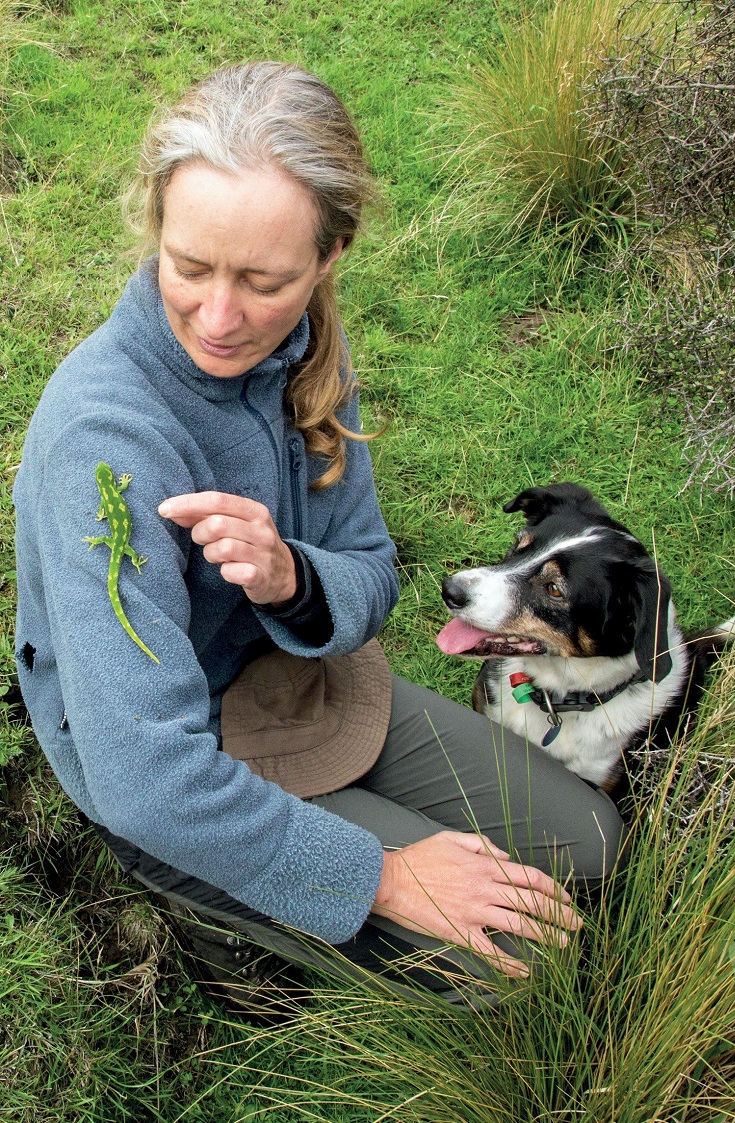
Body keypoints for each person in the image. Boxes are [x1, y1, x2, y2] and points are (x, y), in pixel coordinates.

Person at [14, 61, 623, 1008]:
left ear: (329, 255)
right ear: (156, 233)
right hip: (178, 764)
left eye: (264, 279)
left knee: (590, 846)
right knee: (524, 971)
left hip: (297, 687)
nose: (220, 320)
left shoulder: (301, 351)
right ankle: (218, 919)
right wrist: (383, 875)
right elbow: (142, 775)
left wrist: (289, 576)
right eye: (189, 267)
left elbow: (371, 572)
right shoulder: (104, 444)